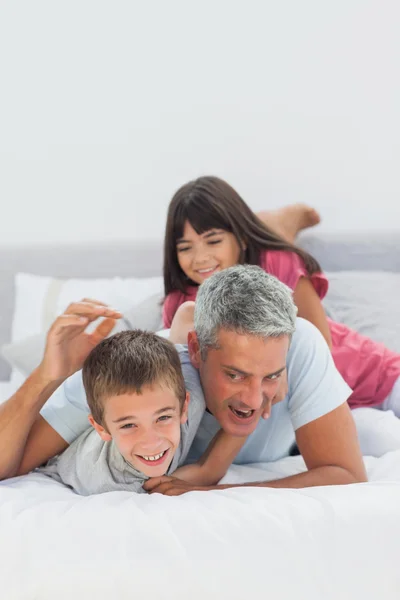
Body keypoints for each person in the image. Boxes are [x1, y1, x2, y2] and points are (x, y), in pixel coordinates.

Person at [0, 266, 367, 494]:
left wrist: (211, 491)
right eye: (234, 374)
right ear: (196, 348)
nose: (255, 399)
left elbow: (346, 474)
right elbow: (7, 466)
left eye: (270, 376)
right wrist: (48, 374)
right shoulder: (130, 378)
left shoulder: (297, 343)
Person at [162, 176, 400, 443]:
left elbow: (320, 338)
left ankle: (279, 223)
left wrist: (282, 366)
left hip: (371, 375)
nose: (201, 257)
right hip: (317, 413)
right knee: (383, 439)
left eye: (213, 241)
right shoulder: (182, 305)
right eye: (185, 248)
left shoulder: (276, 261)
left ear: (240, 238)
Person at [39, 330, 245, 495]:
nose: (151, 441)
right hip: (61, 461)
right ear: (101, 428)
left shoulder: (193, 389)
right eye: (129, 425)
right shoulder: (109, 487)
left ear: (183, 408)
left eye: (163, 418)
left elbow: (186, 313)